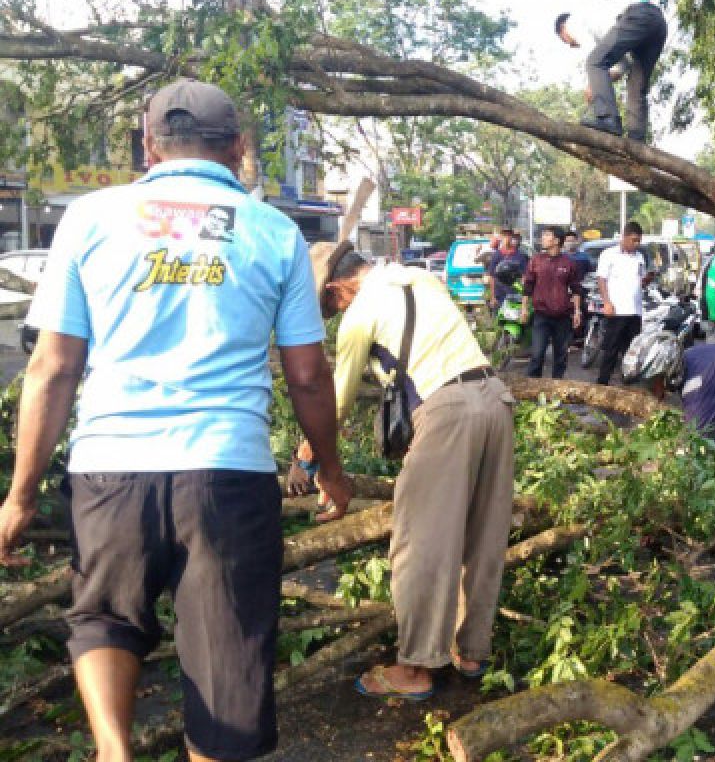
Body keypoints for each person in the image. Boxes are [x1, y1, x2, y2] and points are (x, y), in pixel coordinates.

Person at [0, 78, 352, 761]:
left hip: (110, 466)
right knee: (228, 654)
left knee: (104, 615)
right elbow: (308, 373)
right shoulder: (274, 230)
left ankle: (112, 749)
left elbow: (52, 369)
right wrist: (330, 468)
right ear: (240, 149)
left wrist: (19, 495)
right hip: (227, 472)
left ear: (147, 145)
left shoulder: (91, 218)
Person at [296, 242, 514, 700]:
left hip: (447, 413)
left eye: (328, 305)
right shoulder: (420, 277)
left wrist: (307, 457)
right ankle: (472, 651)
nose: (333, 315)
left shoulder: (359, 316)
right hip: (495, 400)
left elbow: (335, 400)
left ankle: (414, 668)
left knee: (419, 546)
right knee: (483, 536)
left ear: (339, 287)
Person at [554, 0, 668, 141]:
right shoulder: (601, 25)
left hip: (638, 13)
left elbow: (594, 57)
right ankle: (637, 140)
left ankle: (608, 119)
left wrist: (592, 86)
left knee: (593, 62)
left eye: (565, 40)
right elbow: (623, 64)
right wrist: (603, 80)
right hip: (658, 22)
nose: (570, 45)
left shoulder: (573, 22)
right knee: (636, 86)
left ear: (563, 29)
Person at [595, 222, 653, 385]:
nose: (636, 244)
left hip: (635, 311)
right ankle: (602, 383)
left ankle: (628, 383)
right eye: (634, 240)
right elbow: (602, 279)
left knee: (632, 351)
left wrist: (647, 280)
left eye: (639, 241)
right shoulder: (609, 254)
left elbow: (640, 282)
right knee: (611, 349)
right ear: (624, 236)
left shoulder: (639, 257)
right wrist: (606, 302)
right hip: (617, 310)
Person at [522, 227, 584, 378]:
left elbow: (576, 289)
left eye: (546, 235)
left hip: (562, 317)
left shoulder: (568, 263)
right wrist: (523, 309)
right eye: (543, 235)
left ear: (556, 241)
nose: (543, 238)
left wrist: (577, 312)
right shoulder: (536, 261)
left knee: (560, 358)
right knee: (537, 355)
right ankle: (532, 390)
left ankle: (556, 392)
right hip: (541, 316)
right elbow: (527, 287)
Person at [486, 227, 529, 310]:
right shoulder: (496, 255)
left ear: (512, 237)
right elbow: (492, 277)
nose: (506, 238)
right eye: (504, 235)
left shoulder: (520, 255)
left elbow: (524, 276)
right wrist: (493, 296)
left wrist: (525, 297)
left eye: (508, 235)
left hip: (515, 294)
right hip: (500, 295)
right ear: (501, 237)